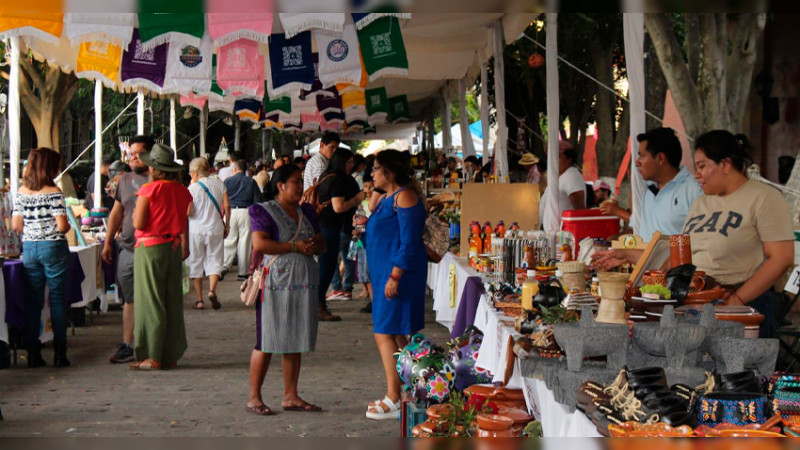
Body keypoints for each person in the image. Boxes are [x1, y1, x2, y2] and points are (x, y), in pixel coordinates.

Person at [595, 131, 794, 338]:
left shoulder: (764, 198)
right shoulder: (701, 202)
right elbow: (680, 258)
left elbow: (781, 258)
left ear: (725, 165)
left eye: (702, 167)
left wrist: (737, 300)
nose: (696, 175)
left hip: (738, 303)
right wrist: (628, 255)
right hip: (693, 302)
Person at [246, 164, 325, 416]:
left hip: (303, 280)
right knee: (267, 339)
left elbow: (322, 241)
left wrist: (314, 245)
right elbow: (260, 243)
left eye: (301, 181)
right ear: (280, 186)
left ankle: (291, 395)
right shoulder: (263, 211)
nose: (300, 186)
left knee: (296, 337)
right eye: (295, 182)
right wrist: (295, 248)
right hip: (274, 282)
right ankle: (254, 396)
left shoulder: (308, 211)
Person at [364, 150, 428, 420]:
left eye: (376, 169)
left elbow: (409, 241)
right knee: (399, 335)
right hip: (384, 274)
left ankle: (393, 396)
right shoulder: (387, 197)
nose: (371, 174)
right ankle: (409, 391)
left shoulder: (405, 196)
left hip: (398, 276)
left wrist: (395, 275)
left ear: (389, 172)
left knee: (385, 333)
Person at [129, 144, 193, 370]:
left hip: (150, 247)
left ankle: (152, 354)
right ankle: (170, 354)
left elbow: (138, 223)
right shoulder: (183, 191)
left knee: (150, 301)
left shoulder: (148, 190)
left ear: (153, 167)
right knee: (171, 300)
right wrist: (185, 244)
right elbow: (184, 220)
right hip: (173, 247)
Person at [11, 147, 72, 368]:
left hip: (29, 248)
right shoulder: (54, 192)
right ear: (50, 168)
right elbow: (63, 226)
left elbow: (16, 225)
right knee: (56, 300)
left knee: (33, 301)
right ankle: (59, 353)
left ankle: (33, 353)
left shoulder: (22, 191)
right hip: (53, 246)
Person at [102, 135, 154, 364]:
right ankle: (128, 343)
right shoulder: (124, 181)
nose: (132, 158)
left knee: (153, 298)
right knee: (129, 299)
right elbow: (116, 212)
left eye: (138, 154)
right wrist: (107, 242)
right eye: (130, 154)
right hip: (127, 247)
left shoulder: (160, 179)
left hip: (153, 247)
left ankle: (153, 344)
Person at [600, 127, 702, 242]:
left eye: (642, 156)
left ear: (660, 158)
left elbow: (700, 240)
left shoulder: (693, 189)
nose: (637, 162)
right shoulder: (648, 191)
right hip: (645, 259)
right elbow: (637, 226)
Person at [317, 148, 367, 320]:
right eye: (348, 162)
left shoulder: (329, 177)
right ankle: (318, 304)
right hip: (330, 227)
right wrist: (357, 199)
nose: (351, 165)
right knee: (327, 267)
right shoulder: (336, 181)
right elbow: (338, 207)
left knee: (330, 265)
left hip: (332, 227)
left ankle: (319, 302)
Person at [187, 157, 230, 311]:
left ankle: (199, 300)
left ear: (196, 173)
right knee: (214, 260)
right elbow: (227, 205)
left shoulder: (192, 188)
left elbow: (189, 211)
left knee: (196, 262)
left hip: (196, 230)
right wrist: (228, 225)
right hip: (216, 228)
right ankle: (211, 291)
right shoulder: (219, 183)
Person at [328, 150, 365, 303]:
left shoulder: (345, 180)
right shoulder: (345, 180)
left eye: (352, 162)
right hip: (350, 227)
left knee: (333, 257)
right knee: (348, 257)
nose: (351, 165)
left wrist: (355, 200)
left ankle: (338, 288)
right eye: (348, 162)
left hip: (346, 227)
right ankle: (346, 288)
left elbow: (339, 207)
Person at [222, 159, 261, 281]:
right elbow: (257, 201)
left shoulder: (227, 181)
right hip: (246, 211)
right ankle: (243, 272)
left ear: (235, 169)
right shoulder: (251, 182)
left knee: (229, 239)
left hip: (231, 211)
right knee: (245, 241)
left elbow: (223, 199)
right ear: (246, 171)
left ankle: (225, 265)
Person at [540, 142, 586, 229]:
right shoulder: (558, 178)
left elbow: (579, 210)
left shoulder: (571, 175)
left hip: (564, 236)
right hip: (552, 234)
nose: (553, 161)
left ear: (569, 159)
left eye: (558, 157)